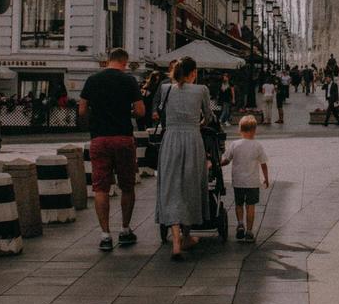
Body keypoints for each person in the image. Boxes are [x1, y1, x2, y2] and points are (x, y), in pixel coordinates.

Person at [79, 47, 145, 252]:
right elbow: (141, 111)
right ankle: (125, 230)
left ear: (108, 60)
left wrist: (94, 121)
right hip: (123, 138)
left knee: (101, 187)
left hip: (99, 138)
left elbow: (82, 110)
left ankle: (105, 235)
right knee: (127, 186)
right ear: (124, 63)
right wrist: (128, 113)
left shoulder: (92, 80)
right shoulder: (129, 81)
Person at [155, 56, 212, 261]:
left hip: (170, 139)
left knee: (171, 186)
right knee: (190, 185)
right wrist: (196, 123)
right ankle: (187, 236)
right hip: (192, 139)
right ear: (193, 72)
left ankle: (176, 241)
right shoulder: (201, 90)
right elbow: (209, 116)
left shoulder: (166, 89)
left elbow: (161, 114)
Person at [222, 114, 269, 243]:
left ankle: (240, 223)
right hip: (252, 183)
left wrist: (216, 164)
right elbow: (263, 163)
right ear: (254, 130)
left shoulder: (235, 144)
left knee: (238, 204)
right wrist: (266, 178)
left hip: (238, 182)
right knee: (250, 206)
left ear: (240, 130)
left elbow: (226, 160)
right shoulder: (257, 145)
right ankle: (249, 231)